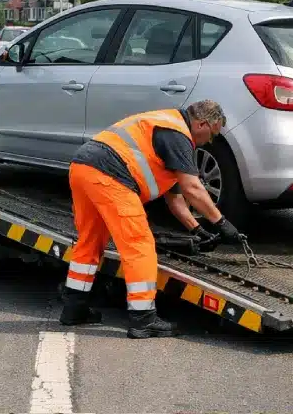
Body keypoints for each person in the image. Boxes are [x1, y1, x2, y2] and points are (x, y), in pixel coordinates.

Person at [59, 100, 245, 339]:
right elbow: (193, 188)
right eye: (213, 133)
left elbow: (176, 199)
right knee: (139, 246)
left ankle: (74, 308)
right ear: (202, 123)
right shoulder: (178, 135)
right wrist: (222, 223)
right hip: (110, 175)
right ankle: (143, 319)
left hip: (83, 168)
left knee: (90, 242)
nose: (211, 141)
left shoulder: (167, 127)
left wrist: (198, 229)